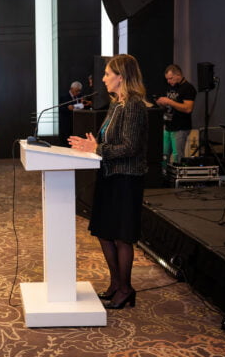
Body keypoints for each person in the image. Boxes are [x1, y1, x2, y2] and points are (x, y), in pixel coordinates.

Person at [68, 54, 148, 310]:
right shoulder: (116, 104)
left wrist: (98, 148)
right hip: (108, 175)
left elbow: (131, 147)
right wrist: (91, 145)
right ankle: (116, 284)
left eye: (107, 74)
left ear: (121, 77)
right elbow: (108, 141)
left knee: (122, 237)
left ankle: (126, 289)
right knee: (104, 232)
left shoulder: (134, 105)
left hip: (126, 178)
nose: (103, 79)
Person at [156, 64, 197, 167]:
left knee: (177, 156)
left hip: (180, 127)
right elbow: (170, 105)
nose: (168, 81)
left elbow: (188, 108)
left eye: (170, 78)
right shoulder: (171, 86)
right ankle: (163, 174)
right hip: (168, 126)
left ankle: (176, 176)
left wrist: (169, 101)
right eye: (167, 79)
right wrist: (161, 103)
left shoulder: (188, 88)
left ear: (178, 75)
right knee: (163, 155)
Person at [59, 81, 89, 146]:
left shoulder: (80, 96)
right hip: (67, 123)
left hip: (78, 123)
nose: (78, 93)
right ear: (71, 89)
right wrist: (67, 108)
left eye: (79, 91)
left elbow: (85, 106)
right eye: (76, 91)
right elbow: (60, 108)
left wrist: (85, 104)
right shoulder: (64, 96)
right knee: (67, 143)